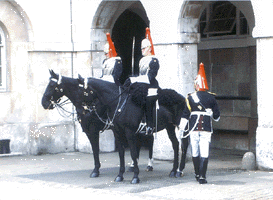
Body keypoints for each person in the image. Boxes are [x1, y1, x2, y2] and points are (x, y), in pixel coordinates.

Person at [179, 62, 220, 184]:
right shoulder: (212, 98)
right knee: (204, 152)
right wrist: (211, 113)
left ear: (197, 84)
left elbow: (185, 114)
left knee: (195, 152)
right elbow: (217, 117)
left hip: (193, 129)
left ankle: (197, 173)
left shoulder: (190, 97)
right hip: (206, 128)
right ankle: (202, 176)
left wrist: (181, 129)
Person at [129, 27, 160, 135]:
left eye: (144, 48)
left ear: (149, 48)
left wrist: (136, 79)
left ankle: (150, 125)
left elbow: (150, 76)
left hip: (151, 86)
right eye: (141, 49)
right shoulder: (142, 60)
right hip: (142, 86)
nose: (142, 50)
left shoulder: (154, 60)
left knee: (148, 101)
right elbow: (141, 75)